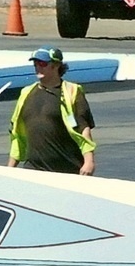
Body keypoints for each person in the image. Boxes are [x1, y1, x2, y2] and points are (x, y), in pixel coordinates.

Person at [8, 46, 96, 175]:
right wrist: (10, 169)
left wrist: (89, 161)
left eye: (42, 63)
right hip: (33, 169)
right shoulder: (26, 93)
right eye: (35, 64)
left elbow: (83, 128)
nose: (38, 67)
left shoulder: (71, 91)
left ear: (56, 66)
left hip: (67, 169)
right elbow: (18, 135)